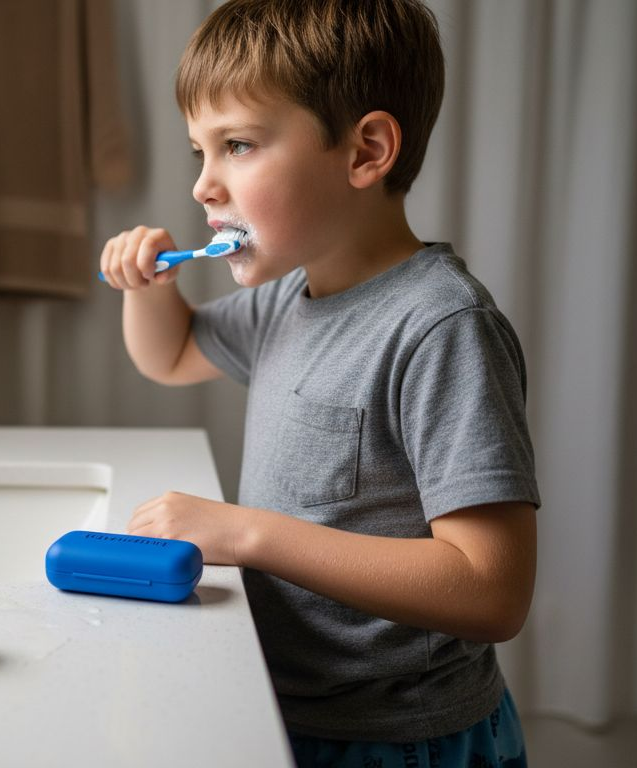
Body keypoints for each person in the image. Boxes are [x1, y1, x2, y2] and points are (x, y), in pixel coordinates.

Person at [98, 1, 540, 765]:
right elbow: (169, 357)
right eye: (198, 152)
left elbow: (490, 590)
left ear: (366, 152)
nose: (204, 186)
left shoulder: (440, 327)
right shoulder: (288, 299)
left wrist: (247, 533)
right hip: (290, 708)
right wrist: (147, 286)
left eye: (236, 145)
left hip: (403, 741)